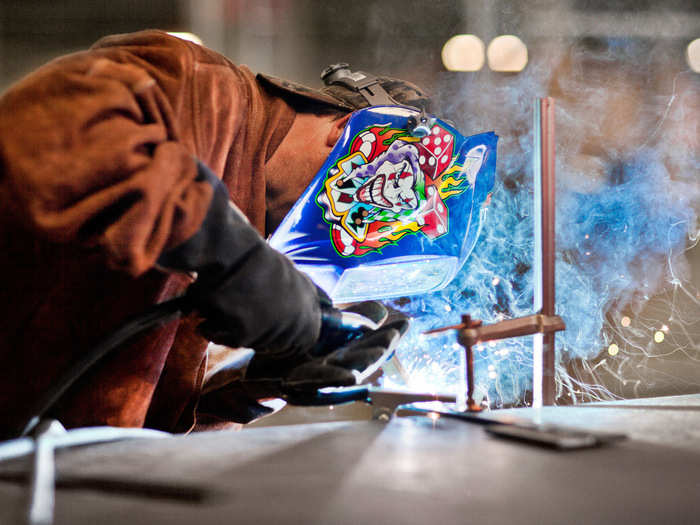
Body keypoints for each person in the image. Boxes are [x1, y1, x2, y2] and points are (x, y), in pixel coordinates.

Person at [0, 30, 430, 437]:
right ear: (346, 134)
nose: (343, 251)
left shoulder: (265, 240)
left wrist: (260, 381)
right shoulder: (200, 86)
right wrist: (229, 254)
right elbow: (52, 134)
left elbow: (160, 425)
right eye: (368, 216)